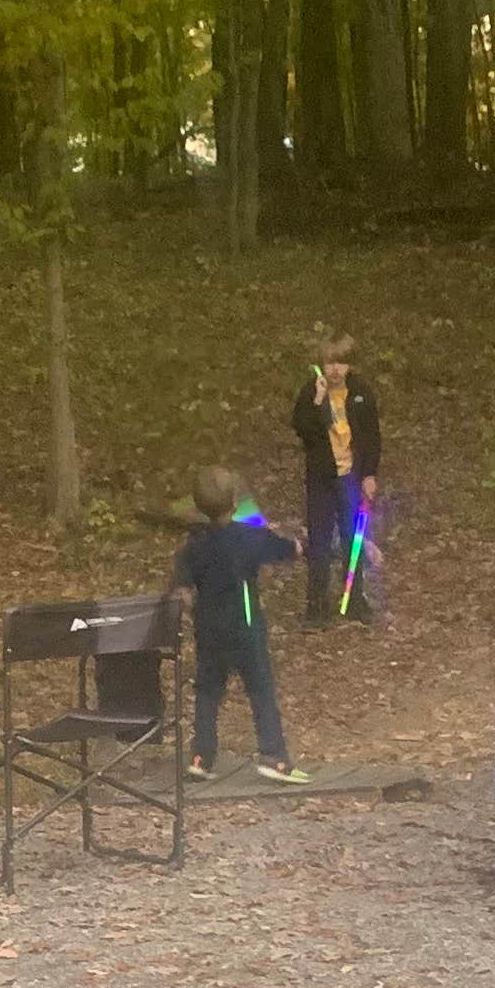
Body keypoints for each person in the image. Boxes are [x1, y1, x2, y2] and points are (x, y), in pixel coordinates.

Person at [168, 467, 307, 783]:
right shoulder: (250, 536)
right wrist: (300, 541)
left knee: (207, 692)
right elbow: (290, 549)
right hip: (246, 627)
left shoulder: (194, 547)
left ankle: (201, 757)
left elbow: (182, 589)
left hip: (209, 629)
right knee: (260, 689)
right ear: (234, 502)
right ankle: (274, 757)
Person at [285, 332, 382, 623]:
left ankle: (354, 599)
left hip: (350, 477)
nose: (336, 370)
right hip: (322, 479)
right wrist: (316, 401)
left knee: (353, 538)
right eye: (330, 363)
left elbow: (372, 436)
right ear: (321, 364)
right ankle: (316, 605)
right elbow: (302, 430)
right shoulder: (311, 392)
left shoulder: (360, 393)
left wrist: (369, 474)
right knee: (320, 540)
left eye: (342, 363)